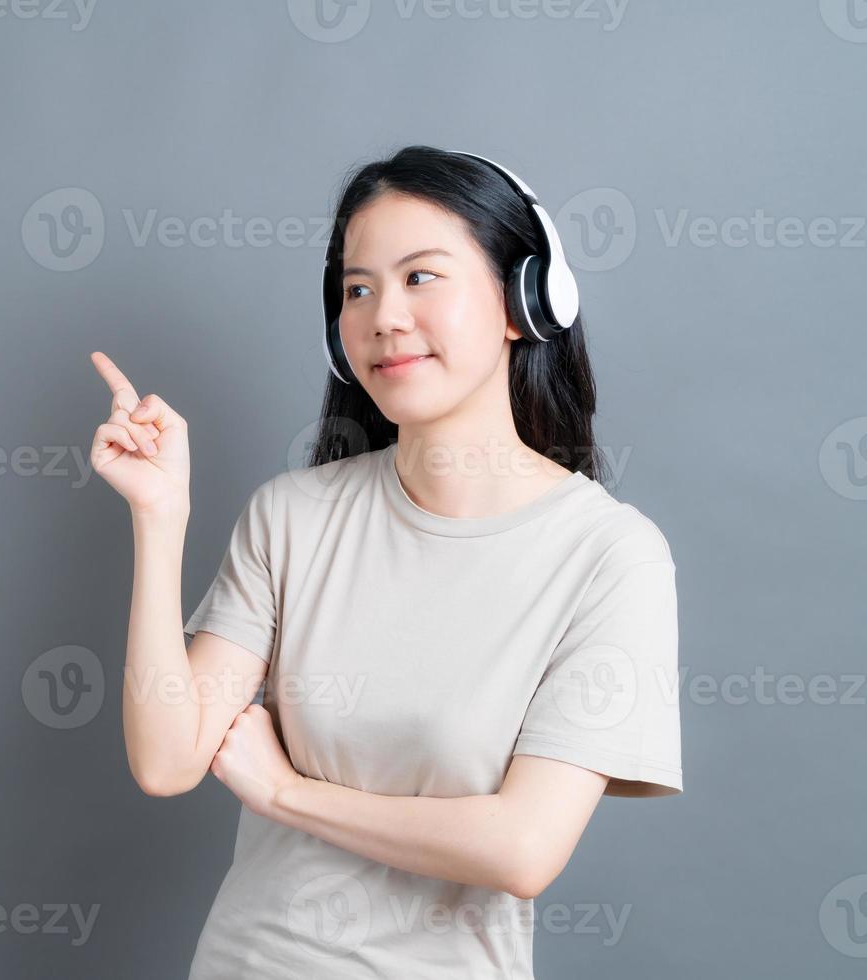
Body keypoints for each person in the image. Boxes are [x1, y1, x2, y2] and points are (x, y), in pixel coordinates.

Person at [87, 144, 683, 979]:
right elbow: (167, 758)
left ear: (525, 302)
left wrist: (287, 794)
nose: (383, 317)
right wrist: (160, 519)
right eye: (357, 289)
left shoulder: (610, 556)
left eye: (421, 278)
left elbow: (521, 848)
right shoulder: (293, 515)